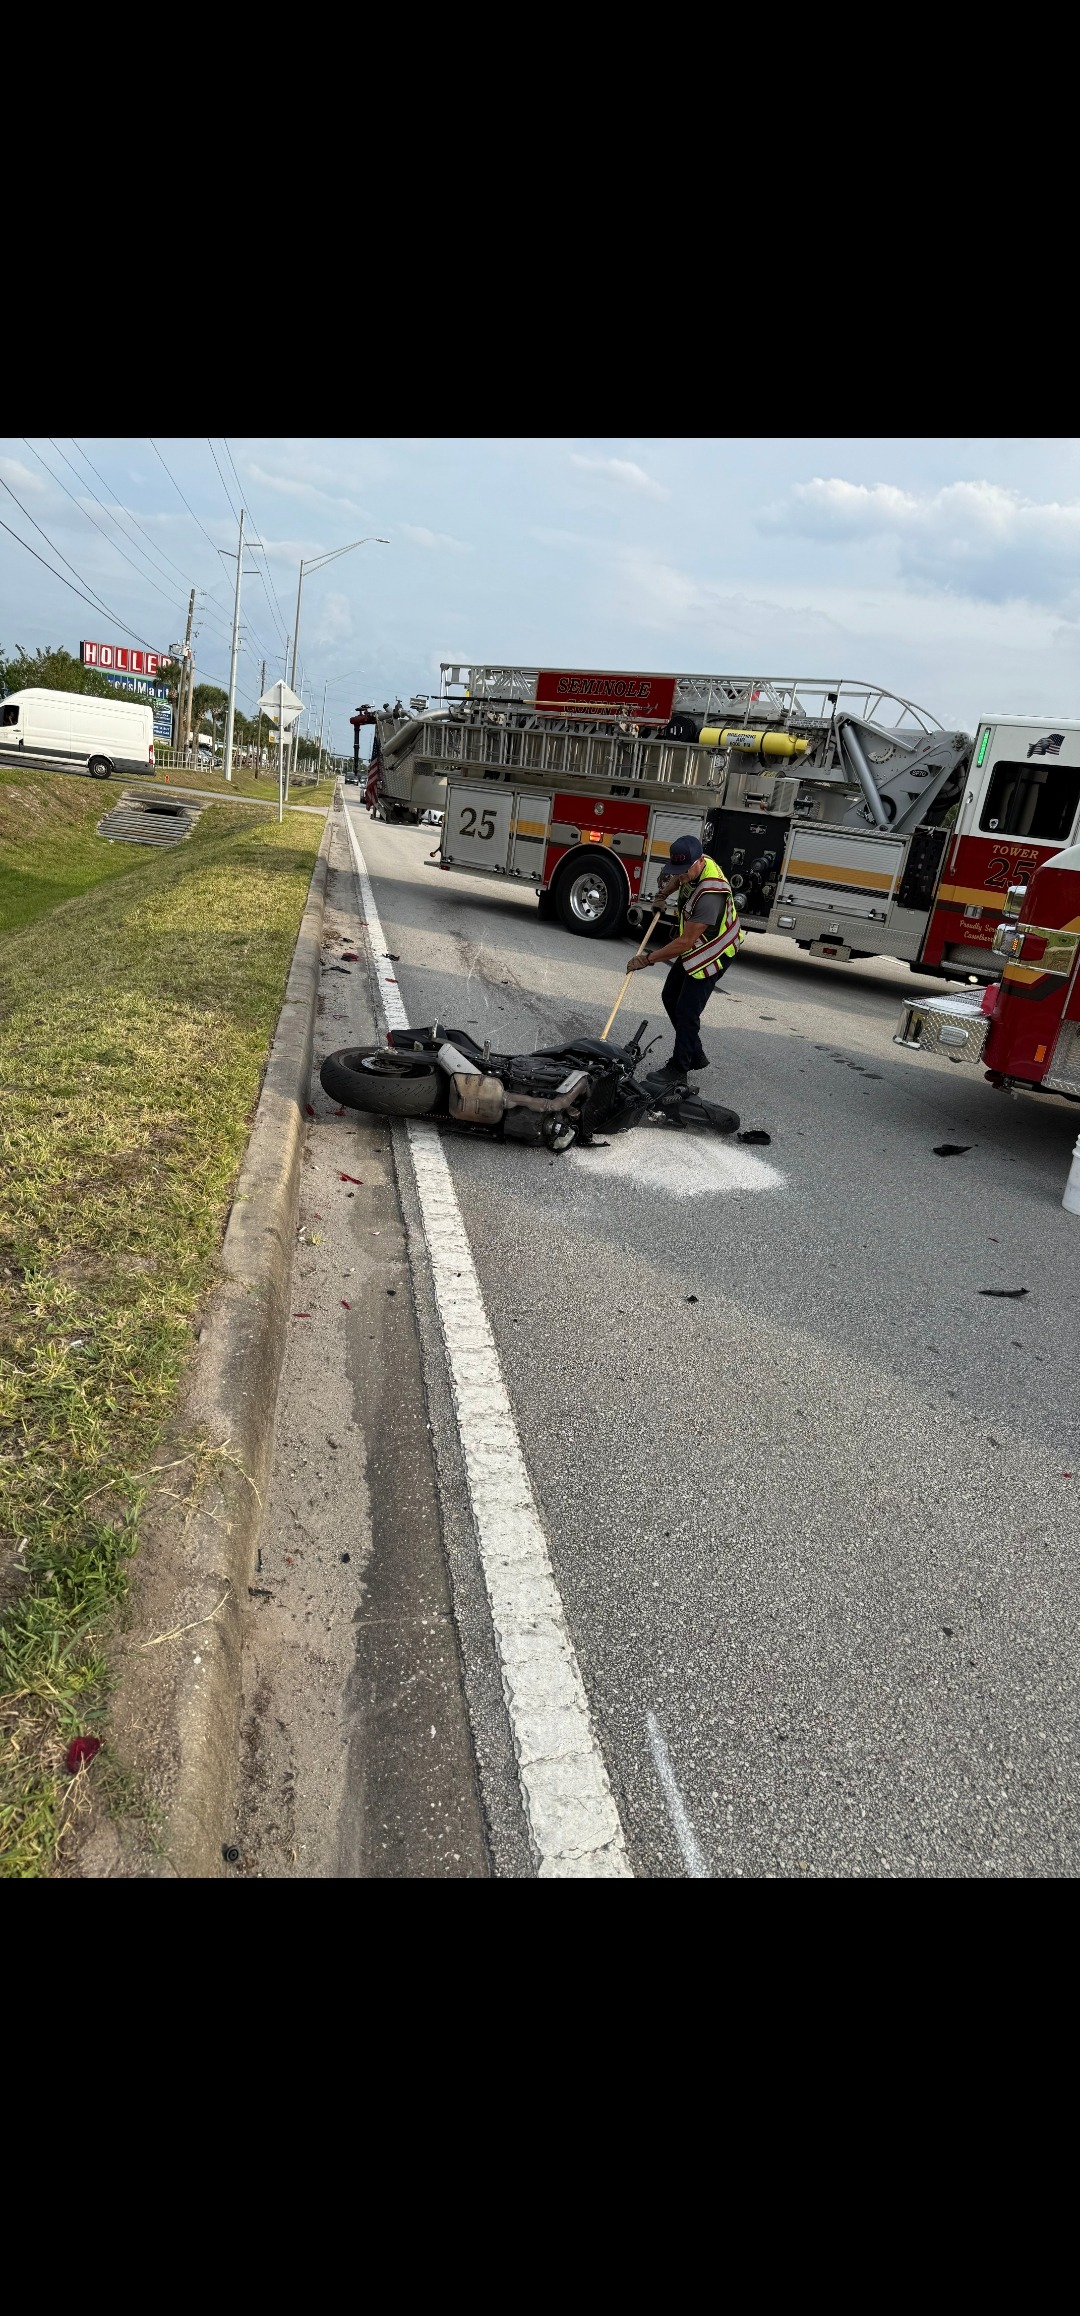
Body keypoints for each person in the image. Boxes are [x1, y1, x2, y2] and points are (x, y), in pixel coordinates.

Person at [626, 833, 745, 1078]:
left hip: (715, 950)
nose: (680, 876)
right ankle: (694, 1054)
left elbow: (685, 942)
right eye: (677, 870)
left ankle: (679, 1069)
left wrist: (647, 959)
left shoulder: (711, 894)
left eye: (684, 871)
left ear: (699, 861)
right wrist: (662, 895)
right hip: (698, 943)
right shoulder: (693, 865)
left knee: (688, 1010)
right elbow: (679, 879)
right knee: (670, 996)